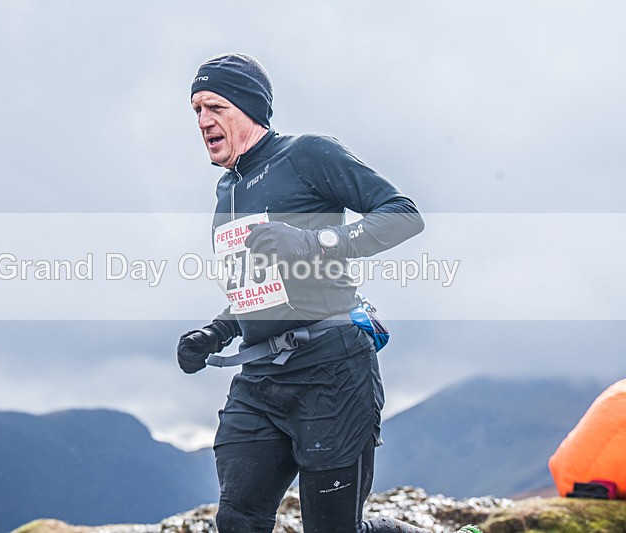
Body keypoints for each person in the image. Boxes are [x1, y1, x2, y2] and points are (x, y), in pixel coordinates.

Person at [177, 53, 481, 533]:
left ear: (249, 107)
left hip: (331, 372)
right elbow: (258, 288)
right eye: (195, 110)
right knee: (237, 521)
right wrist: (215, 333)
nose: (202, 120)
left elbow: (403, 214)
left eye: (214, 106)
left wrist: (315, 240)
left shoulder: (308, 154)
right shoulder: (225, 193)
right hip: (260, 381)